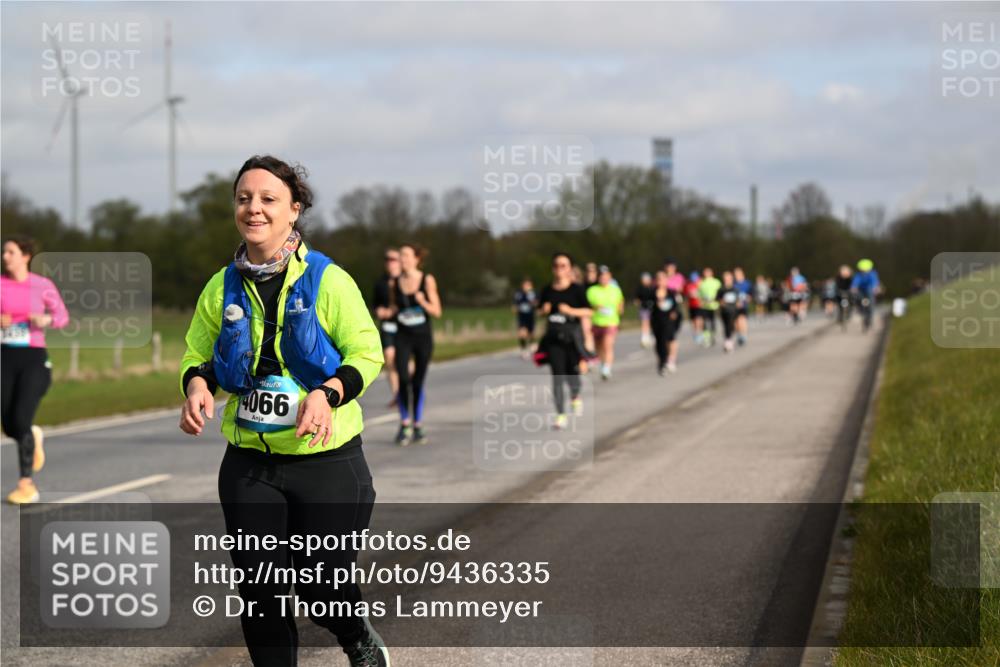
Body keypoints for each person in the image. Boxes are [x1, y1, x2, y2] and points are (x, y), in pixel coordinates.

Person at [178, 155, 389, 667]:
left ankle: (356, 635)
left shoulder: (328, 280)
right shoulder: (220, 286)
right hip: (250, 464)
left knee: (322, 591)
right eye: (245, 198)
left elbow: (367, 353)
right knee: (261, 592)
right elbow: (195, 354)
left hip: (326, 460)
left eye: (268, 199)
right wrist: (197, 386)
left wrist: (328, 392)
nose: (254, 208)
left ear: (294, 211)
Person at [1, 236, 69, 504]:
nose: (5, 256)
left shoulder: (41, 285)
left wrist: (46, 319)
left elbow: (62, 317)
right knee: (8, 424)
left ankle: (26, 484)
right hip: (4, 356)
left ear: (25, 255)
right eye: (4, 252)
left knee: (20, 419)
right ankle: (32, 435)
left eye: (10, 252)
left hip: (33, 359)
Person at [389, 243, 441, 446]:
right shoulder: (395, 283)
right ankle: (404, 424)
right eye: (400, 256)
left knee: (418, 381)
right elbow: (395, 307)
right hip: (403, 336)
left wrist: (423, 301)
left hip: (423, 337)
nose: (402, 259)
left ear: (416, 259)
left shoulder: (427, 280)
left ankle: (418, 425)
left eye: (406, 255)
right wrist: (387, 312)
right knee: (402, 378)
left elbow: (437, 311)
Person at [537, 252, 592, 430]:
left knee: (572, 374)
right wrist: (543, 311)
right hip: (553, 339)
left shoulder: (577, 289)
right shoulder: (547, 290)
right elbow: (538, 311)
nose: (560, 269)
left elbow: (589, 311)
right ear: (553, 269)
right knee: (557, 377)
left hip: (572, 338)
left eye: (563, 266)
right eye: (556, 266)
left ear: (569, 269)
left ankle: (575, 395)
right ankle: (560, 414)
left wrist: (570, 311)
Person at [586, 265, 625, 380]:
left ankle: (607, 368)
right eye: (601, 276)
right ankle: (603, 363)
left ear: (610, 276)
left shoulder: (615, 289)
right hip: (597, 322)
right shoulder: (592, 290)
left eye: (606, 276)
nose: (603, 278)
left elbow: (620, 300)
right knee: (599, 347)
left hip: (611, 322)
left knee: (607, 345)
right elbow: (589, 304)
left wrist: (620, 309)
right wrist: (597, 307)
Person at [373, 248, 401, 407]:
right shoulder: (380, 283)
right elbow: (375, 304)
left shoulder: (405, 281)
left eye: (393, 259)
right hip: (388, 326)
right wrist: (379, 311)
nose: (390, 263)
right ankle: (397, 394)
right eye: (387, 259)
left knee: (403, 362)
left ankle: (408, 386)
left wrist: (395, 310)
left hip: (404, 327)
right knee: (390, 358)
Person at [650, 270, 683, 375]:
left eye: (663, 279)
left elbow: (676, 307)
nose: (661, 281)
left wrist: (674, 314)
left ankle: (671, 359)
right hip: (657, 322)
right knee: (659, 342)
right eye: (658, 279)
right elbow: (647, 307)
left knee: (671, 339)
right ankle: (662, 361)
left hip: (669, 322)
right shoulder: (652, 293)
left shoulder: (671, 293)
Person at [851, 258, 881, 332]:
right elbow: (855, 281)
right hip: (861, 290)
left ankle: (870, 318)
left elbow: (874, 281)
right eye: (862, 269)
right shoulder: (858, 274)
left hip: (869, 290)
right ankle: (859, 308)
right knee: (857, 297)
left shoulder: (872, 273)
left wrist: (875, 288)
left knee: (871, 303)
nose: (864, 271)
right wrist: (853, 287)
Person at [512, 278, 538, 360]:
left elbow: (537, 303)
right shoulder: (518, 294)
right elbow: (514, 304)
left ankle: (531, 346)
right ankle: (523, 350)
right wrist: (515, 308)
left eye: (528, 285)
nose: (526, 287)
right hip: (522, 317)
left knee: (531, 333)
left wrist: (533, 303)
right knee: (522, 333)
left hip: (530, 316)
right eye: (524, 285)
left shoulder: (533, 294)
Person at [696, 267, 722, 347]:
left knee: (713, 321)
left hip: (714, 305)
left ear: (711, 273)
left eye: (708, 272)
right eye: (705, 273)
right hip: (704, 305)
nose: (706, 274)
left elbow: (721, 292)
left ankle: (713, 335)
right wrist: (701, 300)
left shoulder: (716, 282)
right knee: (705, 322)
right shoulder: (701, 283)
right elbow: (699, 294)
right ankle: (706, 337)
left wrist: (717, 300)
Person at [716, 270, 740, 353]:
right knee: (726, 326)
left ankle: (729, 340)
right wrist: (722, 303)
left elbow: (738, 300)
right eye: (725, 278)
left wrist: (737, 305)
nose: (727, 279)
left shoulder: (735, 289)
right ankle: (728, 341)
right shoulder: (721, 289)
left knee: (731, 326)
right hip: (725, 311)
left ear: (731, 278)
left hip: (733, 311)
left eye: (729, 278)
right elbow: (718, 299)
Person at [634, 272, 655, 350]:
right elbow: (636, 299)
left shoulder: (653, 288)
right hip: (644, 308)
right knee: (644, 322)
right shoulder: (640, 288)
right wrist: (638, 303)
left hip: (652, 308)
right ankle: (644, 338)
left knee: (651, 323)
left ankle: (651, 336)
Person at [733, 266, 751, 346]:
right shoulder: (734, 284)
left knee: (742, 320)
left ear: (742, 274)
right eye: (735, 274)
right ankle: (739, 334)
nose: (737, 276)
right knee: (736, 322)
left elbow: (751, 294)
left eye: (738, 274)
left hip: (744, 305)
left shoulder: (747, 283)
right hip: (735, 306)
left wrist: (747, 299)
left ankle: (743, 335)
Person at [684, 271, 703, 344]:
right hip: (691, 305)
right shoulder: (688, 285)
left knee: (698, 318)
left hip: (698, 304)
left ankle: (699, 332)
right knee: (693, 320)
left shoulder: (700, 284)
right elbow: (686, 295)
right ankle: (696, 332)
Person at [835, 264, 854, 330]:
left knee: (851, 300)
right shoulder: (838, 278)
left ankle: (849, 313)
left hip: (848, 293)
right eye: (843, 272)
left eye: (846, 272)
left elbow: (853, 286)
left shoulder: (851, 278)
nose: (844, 273)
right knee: (839, 303)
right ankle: (840, 316)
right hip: (840, 293)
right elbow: (837, 286)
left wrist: (852, 290)